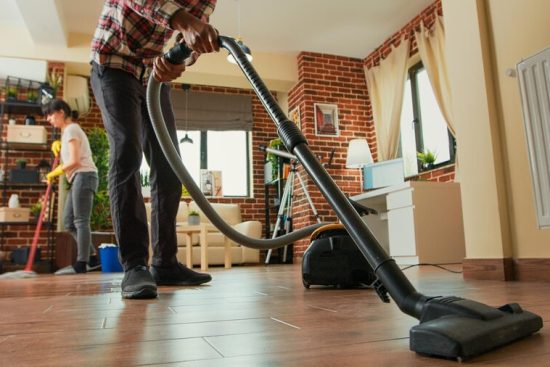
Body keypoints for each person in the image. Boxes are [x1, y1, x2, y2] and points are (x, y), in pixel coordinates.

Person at [90, 0, 219, 299]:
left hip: (153, 75)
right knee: (127, 155)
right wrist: (188, 25)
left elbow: (189, 41)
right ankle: (135, 266)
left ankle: (165, 263)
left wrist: (180, 59)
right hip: (113, 61)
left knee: (169, 165)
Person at [45, 99, 99, 275]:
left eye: (50, 114)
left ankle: (82, 263)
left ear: (61, 112)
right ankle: (91, 256)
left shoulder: (72, 129)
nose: (49, 119)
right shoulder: (68, 132)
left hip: (84, 175)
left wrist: (55, 172)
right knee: (68, 221)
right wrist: (59, 147)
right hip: (78, 178)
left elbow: (75, 161)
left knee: (81, 220)